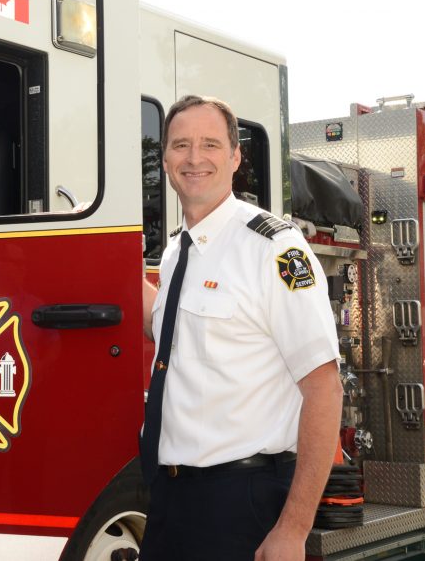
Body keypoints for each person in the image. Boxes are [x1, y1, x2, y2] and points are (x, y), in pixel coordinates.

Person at [139, 95, 342, 561]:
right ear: (165, 158)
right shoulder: (175, 252)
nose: (194, 158)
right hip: (170, 501)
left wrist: (293, 529)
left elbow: (324, 389)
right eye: (180, 145)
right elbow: (167, 328)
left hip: (243, 503)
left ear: (235, 157)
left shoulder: (272, 248)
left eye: (210, 144)